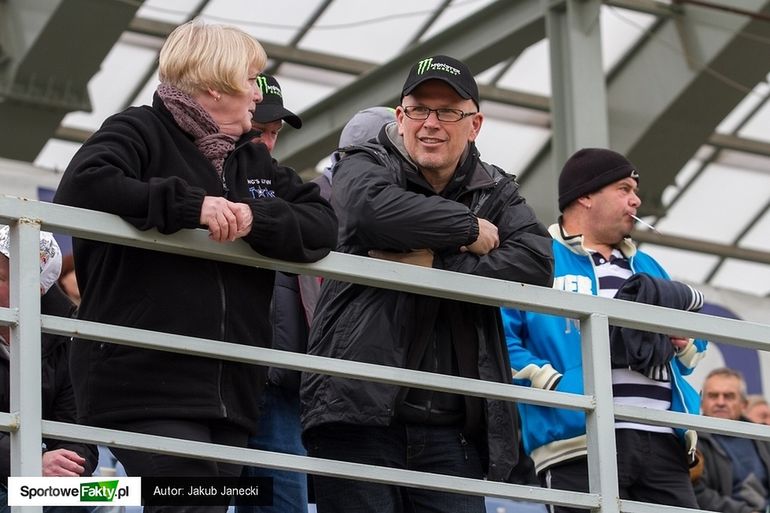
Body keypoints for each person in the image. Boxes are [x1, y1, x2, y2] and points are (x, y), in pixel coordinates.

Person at [52, 19, 337, 513]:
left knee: (199, 504)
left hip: (230, 393)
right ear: (214, 86)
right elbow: (83, 185)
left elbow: (322, 224)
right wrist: (192, 207)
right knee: (189, 502)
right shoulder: (137, 129)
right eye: (249, 79)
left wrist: (255, 218)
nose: (258, 93)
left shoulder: (250, 160)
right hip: (143, 382)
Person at [301, 54, 554, 513]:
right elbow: (368, 212)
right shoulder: (366, 160)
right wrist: (467, 229)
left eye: (448, 112)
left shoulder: (496, 190)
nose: (430, 124)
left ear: (475, 125)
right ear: (400, 118)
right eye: (419, 109)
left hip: (453, 433)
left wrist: (435, 267)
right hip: (357, 416)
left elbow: (537, 261)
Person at [502, 148, 708, 513]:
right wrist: (555, 384)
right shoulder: (537, 257)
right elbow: (500, 338)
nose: (636, 200)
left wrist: (684, 342)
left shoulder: (648, 264)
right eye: (624, 189)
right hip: (577, 441)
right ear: (585, 195)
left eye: (635, 191)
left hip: (663, 439)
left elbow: (695, 347)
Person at [240, 97, 396, 513]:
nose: (267, 142)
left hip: (286, 377)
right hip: (257, 372)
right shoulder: (325, 201)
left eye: (273, 133)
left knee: (270, 499)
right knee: (196, 495)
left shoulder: (299, 194)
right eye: (258, 130)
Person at [0, 226, 99, 512]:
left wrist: (67, 468)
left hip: (30, 482)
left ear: (35, 291)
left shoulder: (64, 341)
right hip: (19, 475)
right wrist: (29, 463)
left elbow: (77, 433)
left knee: (101, 494)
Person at [694, 367, 770, 513]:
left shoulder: (762, 438)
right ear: (702, 403)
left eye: (728, 396)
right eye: (713, 396)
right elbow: (697, 493)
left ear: (744, 404)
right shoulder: (692, 439)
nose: (720, 402)